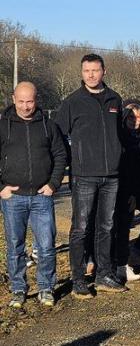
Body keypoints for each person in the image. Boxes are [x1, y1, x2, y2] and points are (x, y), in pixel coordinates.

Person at [56, 53, 127, 298]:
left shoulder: (114, 99)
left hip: (111, 176)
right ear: (81, 73)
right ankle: (78, 279)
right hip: (84, 175)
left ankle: (104, 273)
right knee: (81, 227)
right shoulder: (72, 102)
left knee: (106, 226)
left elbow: (121, 136)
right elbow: (58, 137)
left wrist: (118, 158)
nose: (91, 75)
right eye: (86, 71)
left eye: (95, 70)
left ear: (104, 71)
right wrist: (75, 159)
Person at [0, 82, 67, 308]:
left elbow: (60, 155)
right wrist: (2, 187)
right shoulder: (3, 125)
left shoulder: (48, 125)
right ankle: (18, 289)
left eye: (30, 101)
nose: (26, 106)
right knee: (15, 246)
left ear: (36, 100)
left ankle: (46, 287)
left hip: (42, 196)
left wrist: (53, 184)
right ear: (13, 98)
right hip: (13, 197)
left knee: (47, 246)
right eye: (21, 101)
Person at [113, 102, 140, 283]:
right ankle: (121, 264)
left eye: (139, 117)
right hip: (123, 187)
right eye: (131, 117)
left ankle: (138, 250)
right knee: (122, 226)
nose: (136, 121)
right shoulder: (119, 136)